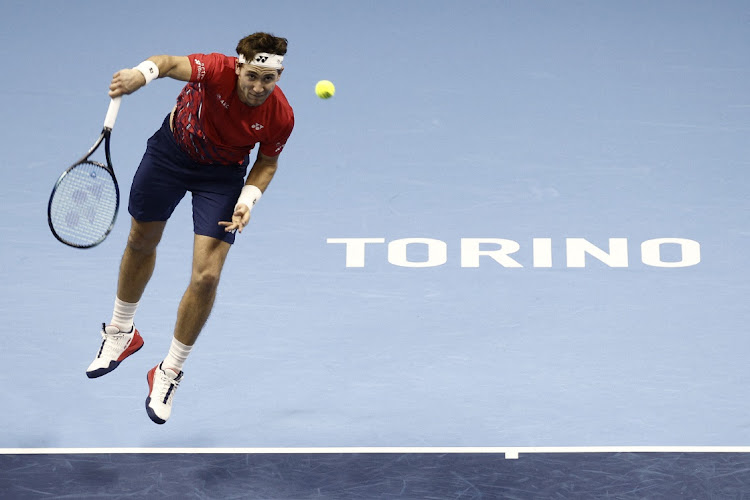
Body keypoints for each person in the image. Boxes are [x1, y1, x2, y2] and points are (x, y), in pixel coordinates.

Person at [85, 32, 294, 424]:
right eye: (252, 76)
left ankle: (168, 371)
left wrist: (247, 201)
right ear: (239, 66)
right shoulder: (214, 69)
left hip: (223, 177)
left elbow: (266, 162)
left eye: (269, 79)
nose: (259, 86)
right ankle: (121, 331)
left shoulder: (280, 115)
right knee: (141, 239)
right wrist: (139, 75)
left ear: (278, 76)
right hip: (170, 153)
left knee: (207, 277)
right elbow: (165, 62)